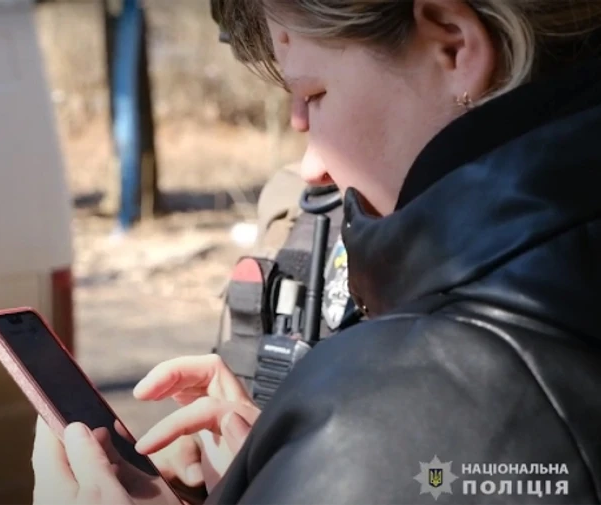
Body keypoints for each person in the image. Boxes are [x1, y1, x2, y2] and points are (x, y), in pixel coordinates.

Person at [31, 0, 601, 503]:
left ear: (453, 43)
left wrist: (340, 451)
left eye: (314, 95)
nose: (311, 167)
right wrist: (292, 464)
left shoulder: (409, 398)